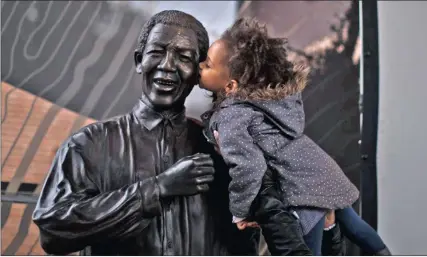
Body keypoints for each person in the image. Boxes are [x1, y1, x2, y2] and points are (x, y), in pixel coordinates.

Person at [32, 10, 262, 255]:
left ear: (198, 73)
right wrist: (158, 188)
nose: (167, 65)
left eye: (183, 57)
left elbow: (245, 243)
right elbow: (53, 231)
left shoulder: (223, 149)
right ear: (139, 61)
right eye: (156, 52)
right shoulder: (88, 145)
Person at [199, 17, 391, 255]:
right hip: (321, 168)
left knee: (308, 247)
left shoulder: (232, 116)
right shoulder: (264, 105)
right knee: (354, 226)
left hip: (301, 187)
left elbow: (248, 166)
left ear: (230, 86)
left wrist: (240, 210)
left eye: (207, 65)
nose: (199, 66)